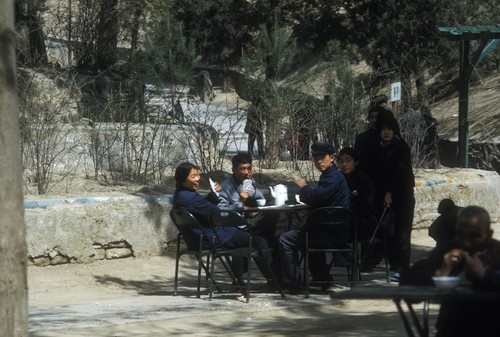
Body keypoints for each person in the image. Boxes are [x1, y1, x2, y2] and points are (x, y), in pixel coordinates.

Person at [172, 162, 274, 288]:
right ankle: (272, 281)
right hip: (212, 237)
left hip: (198, 238)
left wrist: (213, 195)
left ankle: (239, 279)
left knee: (243, 236)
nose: (197, 179)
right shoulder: (190, 198)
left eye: (198, 175)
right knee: (259, 241)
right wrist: (238, 204)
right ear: (182, 179)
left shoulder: (180, 195)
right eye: (193, 176)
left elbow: (202, 209)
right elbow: (216, 213)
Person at [402, 206, 500, 337]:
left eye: (475, 236)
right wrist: (442, 272)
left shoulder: (496, 253)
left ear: (488, 235)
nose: (466, 243)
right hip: (451, 329)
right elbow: (409, 291)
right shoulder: (446, 251)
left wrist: (485, 274)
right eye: (461, 234)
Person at [278, 142, 350, 292]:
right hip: (332, 230)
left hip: (331, 232)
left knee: (285, 239)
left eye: (322, 157)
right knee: (304, 235)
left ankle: (295, 283)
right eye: (316, 157)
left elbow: (317, 198)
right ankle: (322, 278)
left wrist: (304, 187)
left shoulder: (332, 177)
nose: (318, 161)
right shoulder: (332, 175)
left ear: (332, 158)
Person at [372, 114, 415, 281]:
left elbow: (400, 172)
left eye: (390, 129)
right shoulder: (379, 148)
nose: (386, 132)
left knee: (402, 234)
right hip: (384, 197)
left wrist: (390, 192)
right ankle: (394, 264)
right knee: (387, 231)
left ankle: (403, 268)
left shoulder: (401, 147)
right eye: (383, 129)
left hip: (402, 197)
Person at [337, 147, 379, 270]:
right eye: (341, 161)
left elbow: (367, 207)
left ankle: (349, 261)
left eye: (348, 160)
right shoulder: (337, 179)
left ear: (355, 162)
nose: (344, 164)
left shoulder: (364, 181)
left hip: (361, 224)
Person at [354, 105, 393, 180]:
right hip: (366, 180)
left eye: (377, 117)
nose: (374, 120)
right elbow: (358, 161)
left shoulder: (391, 138)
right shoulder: (361, 138)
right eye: (372, 117)